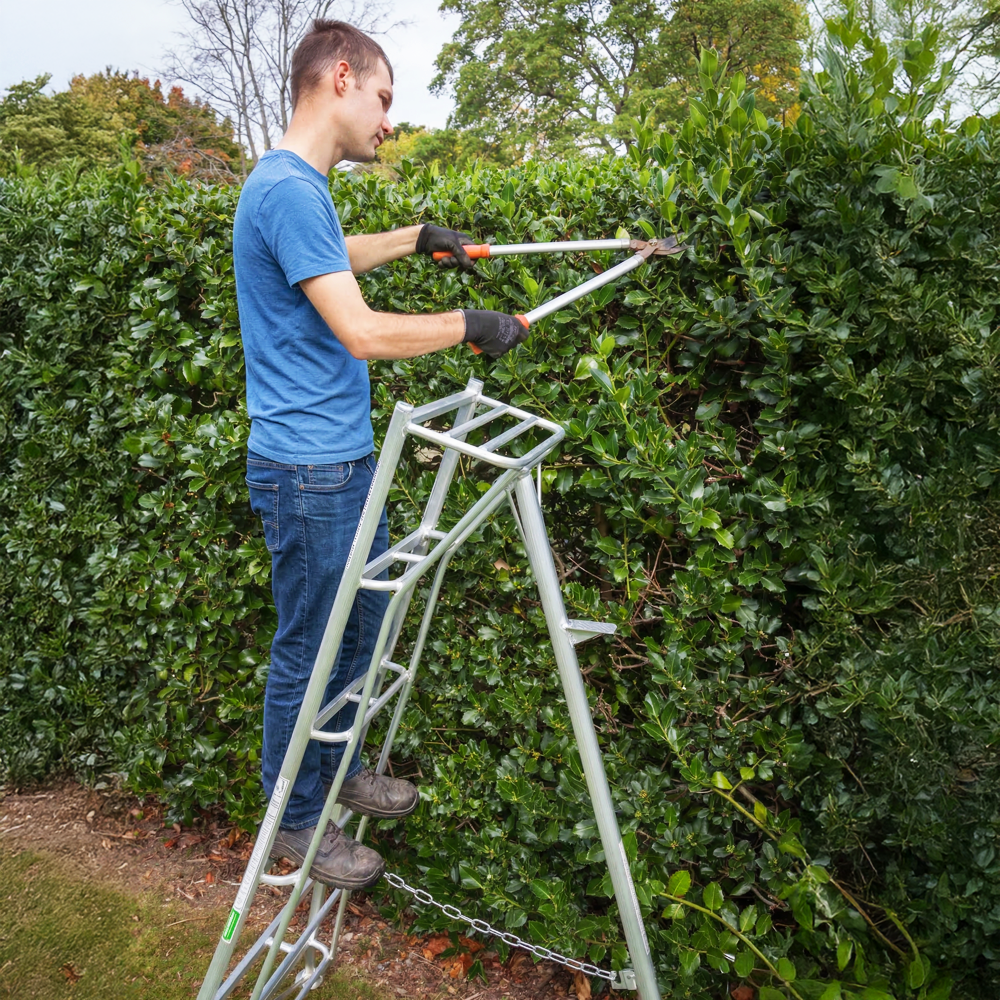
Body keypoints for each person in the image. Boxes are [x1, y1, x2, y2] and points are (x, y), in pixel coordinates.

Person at [233, 20, 528, 891]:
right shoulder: (287, 190)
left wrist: (415, 236)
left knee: (361, 632)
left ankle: (340, 767)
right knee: (310, 649)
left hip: (342, 462)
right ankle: (296, 818)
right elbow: (359, 331)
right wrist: (468, 326)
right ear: (342, 77)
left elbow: (330, 262)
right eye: (384, 98)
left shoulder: (300, 189)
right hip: (308, 472)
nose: (389, 121)